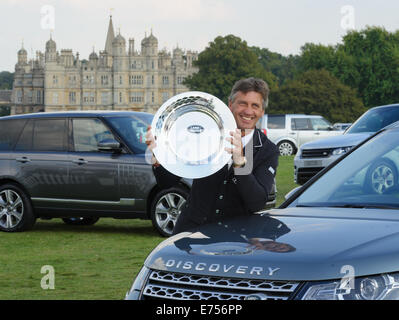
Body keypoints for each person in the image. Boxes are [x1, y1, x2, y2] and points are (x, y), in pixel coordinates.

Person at [146, 78, 279, 235]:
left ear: (262, 111)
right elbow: (167, 182)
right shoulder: (205, 134)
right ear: (230, 105)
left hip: (234, 239)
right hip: (190, 233)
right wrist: (159, 154)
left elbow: (256, 202)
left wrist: (240, 163)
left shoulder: (267, 150)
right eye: (242, 103)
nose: (248, 111)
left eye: (255, 106)